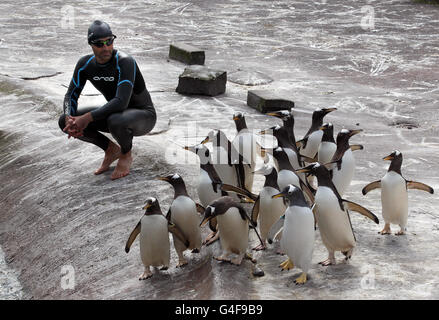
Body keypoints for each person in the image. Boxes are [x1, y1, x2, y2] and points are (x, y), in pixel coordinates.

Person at [59, 20, 156, 180]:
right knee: (63, 120)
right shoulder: (85, 64)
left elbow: (121, 101)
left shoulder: (125, 62)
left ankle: (126, 154)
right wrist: (70, 118)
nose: (105, 47)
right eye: (99, 44)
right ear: (90, 44)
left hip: (143, 116)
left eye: (109, 41)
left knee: (115, 119)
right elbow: (71, 95)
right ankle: (111, 150)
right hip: (115, 114)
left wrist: (87, 118)